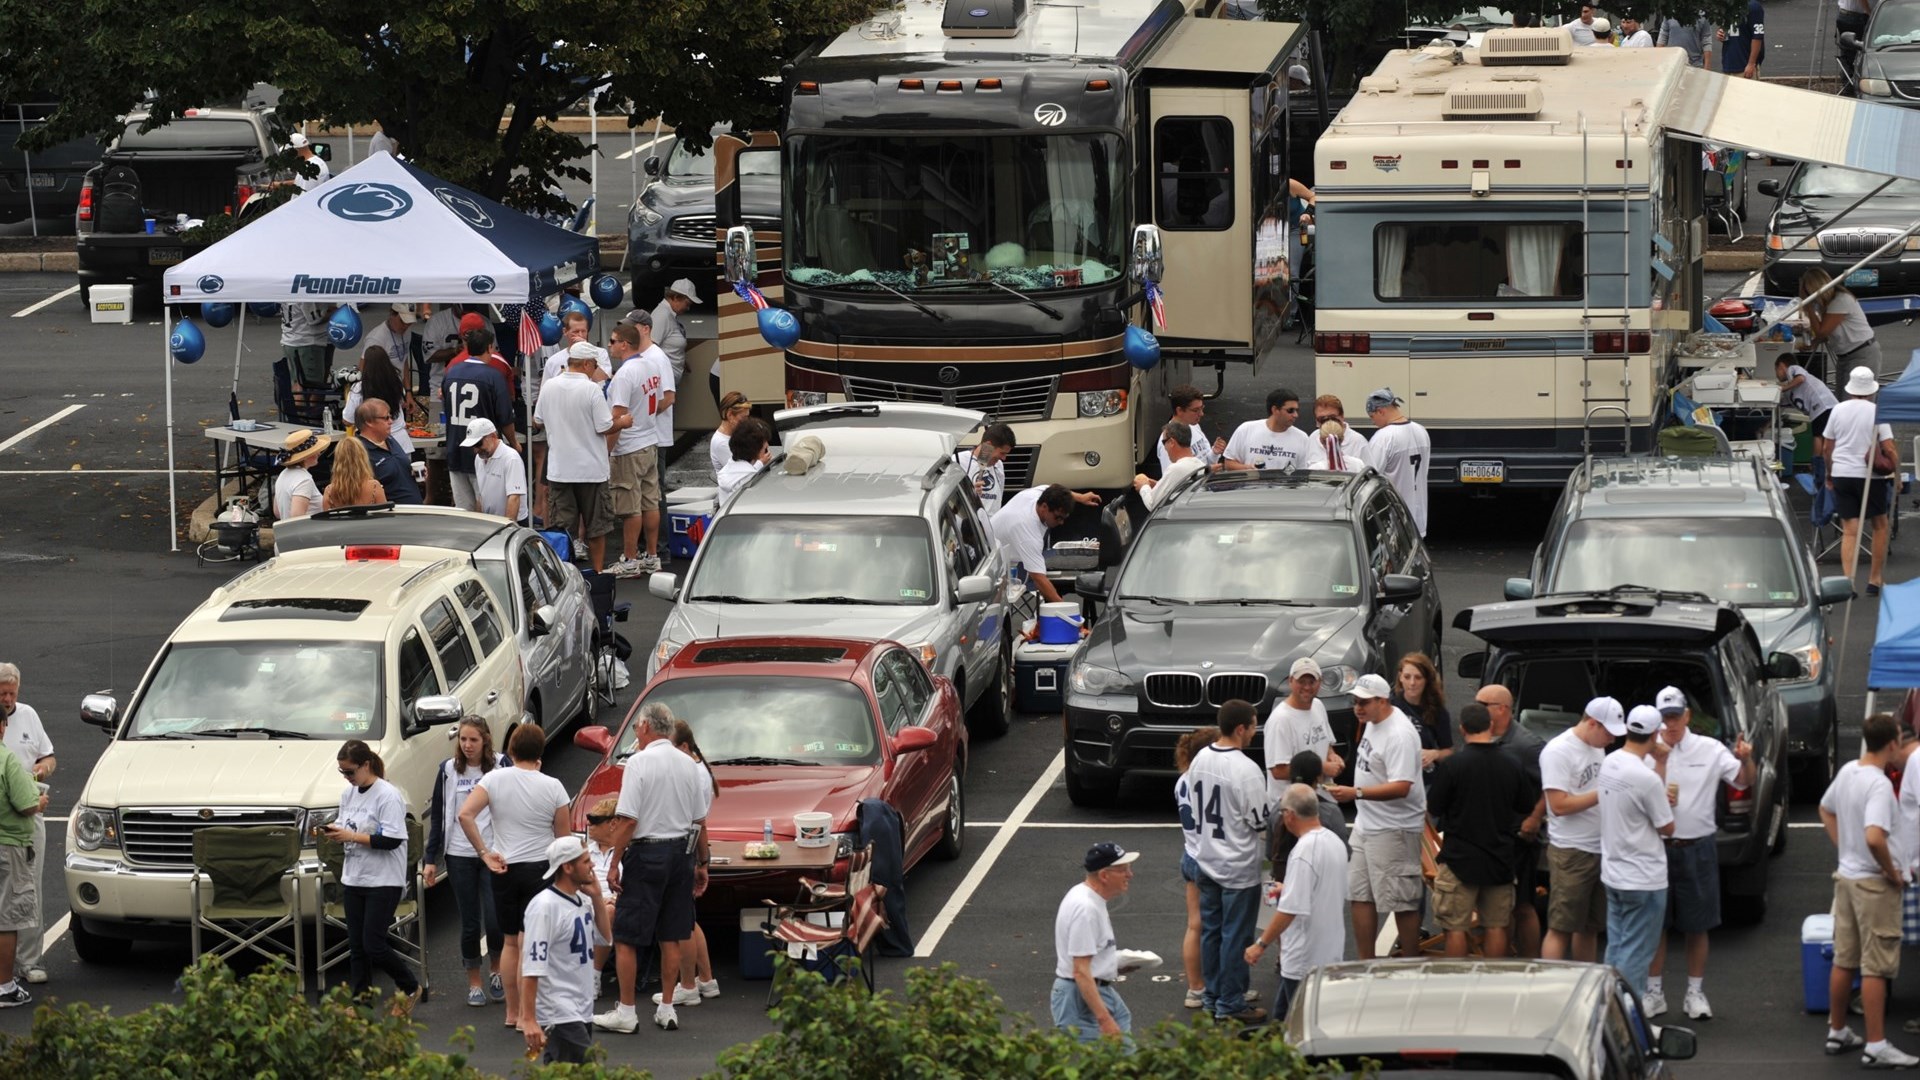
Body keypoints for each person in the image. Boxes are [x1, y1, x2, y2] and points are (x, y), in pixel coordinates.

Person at [596, 703, 714, 1034]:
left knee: (628, 937)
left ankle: (627, 1011)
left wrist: (614, 862)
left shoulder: (638, 762)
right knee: (672, 933)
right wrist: (703, 863)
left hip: (648, 853)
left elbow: (629, 819)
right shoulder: (689, 764)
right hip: (681, 853)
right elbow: (699, 821)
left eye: (636, 727)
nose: (635, 732)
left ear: (647, 726)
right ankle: (665, 1008)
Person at [1643, 686, 1753, 1021]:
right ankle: (1654, 993)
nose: (1670, 725)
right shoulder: (1647, 752)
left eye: (1675, 717)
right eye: (1664, 719)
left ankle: (1695, 992)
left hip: (1698, 847)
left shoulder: (1710, 749)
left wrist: (1747, 759)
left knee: (1697, 924)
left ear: (1687, 716)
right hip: (1656, 848)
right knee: (1654, 925)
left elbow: (1744, 781)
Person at [459, 725, 571, 1033]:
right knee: (531, 942)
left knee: (510, 942)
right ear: (540, 753)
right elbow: (564, 838)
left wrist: (484, 852)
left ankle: (512, 1012)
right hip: (541, 869)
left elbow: (465, 815)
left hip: (504, 867)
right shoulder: (554, 786)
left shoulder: (493, 779)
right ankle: (528, 1015)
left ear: (510, 750)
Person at [1821, 713, 1916, 1067]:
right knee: (1877, 965)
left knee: (1845, 959)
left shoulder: (1848, 771)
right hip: (1874, 886)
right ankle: (1876, 1045)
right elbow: (1875, 837)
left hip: (1846, 879)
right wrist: (1891, 872)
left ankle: (1838, 1030)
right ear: (1891, 743)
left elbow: (1825, 809)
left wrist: (1844, 849)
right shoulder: (1878, 785)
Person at [1181, 700, 1272, 1024]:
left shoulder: (1201, 759)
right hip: (1238, 866)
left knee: (1212, 933)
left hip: (1206, 860)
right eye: (1253, 725)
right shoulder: (1246, 770)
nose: (1255, 730)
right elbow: (1260, 821)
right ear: (1240, 729)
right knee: (1236, 936)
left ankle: (1213, 996)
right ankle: (1230, 1003)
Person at [1426, 703, 1540, 959]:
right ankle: (1492, 981)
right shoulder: (1511, 763)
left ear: (1462, 729)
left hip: (1459, 859)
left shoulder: (1454, 765)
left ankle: (1457, 979)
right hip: (1500, 858)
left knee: (1455, 927)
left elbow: (1434, 806)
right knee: (1497, 926)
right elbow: (1524, 805)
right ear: (1490, 726)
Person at [1328, 673, 1427, 959]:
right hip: (1367, 824)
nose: (1357, 707)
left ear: (1382, 701)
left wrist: (1355, 793)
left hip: (1393, 829)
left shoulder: (1399, 735)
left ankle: (1409, 962)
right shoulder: (1372, 722)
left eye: (1364, 702)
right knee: (1359, 894)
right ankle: (1365, 963)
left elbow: (1402, 786)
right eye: (1355, 701)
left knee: (1402, 900)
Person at [323, 740, 424, 1009]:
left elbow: (392, 839)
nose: (347, 778)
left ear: (366, 765)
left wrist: (352, 836)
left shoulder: (387, 795)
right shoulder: (349, 794)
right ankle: (361, 1004)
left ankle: (410, 986)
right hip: (355, 876)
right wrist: (336, 832)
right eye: (342, 772)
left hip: (383, 880)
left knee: (373, 944)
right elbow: (347, 826)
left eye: (350, 772)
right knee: (357, 946)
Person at [422, 717, 510, 1007]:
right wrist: (431, 858)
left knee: (496, 920)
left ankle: (496, 970)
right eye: (462, 739)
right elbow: (439, 815)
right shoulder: (448, 770)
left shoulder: (500, 764)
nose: (467, 745)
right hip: (459, 854)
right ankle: (474, 981)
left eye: (473, 739)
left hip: (493, 853)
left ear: (485, 739)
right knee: (470, 923)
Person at [1246, 784, 1350, 1021]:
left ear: (1290, 815)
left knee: (1293, 1026)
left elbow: (1290, 910)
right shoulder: (1334, 842)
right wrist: (1290, 888)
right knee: (1303, 1022)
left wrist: (1260, 945)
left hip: (1304, 957)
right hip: (1329, 952)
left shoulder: (1304, 851)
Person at [1539, 696, 1624, 962]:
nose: (1612, 740)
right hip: (1572, 852)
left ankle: (1586, 984)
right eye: (1609, 733)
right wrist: (1605, 792)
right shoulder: (1559, 751)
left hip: (1600, 847)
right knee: (1561, 926)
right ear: (1592, 723)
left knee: (1590, 927)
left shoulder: (1596, 747)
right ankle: (1549, 987)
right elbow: (1558, 805)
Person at [1598, 705, 1675, 995]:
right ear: (1656, 735)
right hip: (1644, 877)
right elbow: (1667, 827)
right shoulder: (1647, 778)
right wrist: (1662, 765)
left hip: (1614, 873)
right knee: (1637, 954)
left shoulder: (1611, 761)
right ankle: (1630, 1018)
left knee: (1617, 947)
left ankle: (1608, 1007)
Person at [518, 836, 613, 1064]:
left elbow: (605, 938)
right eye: (586, 861)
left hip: (581, 1007)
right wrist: (528, 1018)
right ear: (567, 867)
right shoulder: (545, 907)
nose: (593, 866)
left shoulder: (581, 900)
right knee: (588, 1071)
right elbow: (532, 965)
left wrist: (598, 897)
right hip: (559, 1011)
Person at [655, 719, 721, 1008]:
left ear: (684, 747)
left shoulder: (691, 773)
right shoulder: (698, 770)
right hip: (691, 848)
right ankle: (706, 979)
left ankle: (687, 985)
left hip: (685, 848)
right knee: (690, 921)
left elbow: (698, 823)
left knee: (680, 921)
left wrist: (698, 860)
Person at [536, 343, 618, 572]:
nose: (595, 370)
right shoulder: (591, 389)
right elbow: (605, 426)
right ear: (585, 364)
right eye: (594, 366)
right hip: (591, 470)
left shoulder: (550, 386)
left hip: (560, 470)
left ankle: (561, 574)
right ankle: (598, 571)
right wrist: (623, 422)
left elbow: (538, 420)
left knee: (561, 529)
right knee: (597, 527)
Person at [1481, 685, 1547, 958]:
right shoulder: (1484, 736)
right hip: (1492, 839)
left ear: (1502, 709)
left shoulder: (1526, 746)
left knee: (1521, 906)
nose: (1476, 707)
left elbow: (1552, 786)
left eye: (1482, 703)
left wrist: (1534, 818)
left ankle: (1530, 965)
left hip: (1518, 840)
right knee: (1498, 907)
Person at [1053, 842, 1139, 1041]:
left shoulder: (1087, 898)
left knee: (1123, 1055)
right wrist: (1104, 1020)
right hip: (1081, 998)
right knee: (1099, 1064)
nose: (1130, 875)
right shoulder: (1086, 910)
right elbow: (1081, 971)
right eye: (1123, 870)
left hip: (1092, 990)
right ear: (1104, 875)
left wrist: (1113, 965)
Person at [0, 666, 53, 988]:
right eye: (2, 694)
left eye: (12, 694)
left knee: (29, 889)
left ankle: (29, 961)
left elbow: (49, 756)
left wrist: (42, 770)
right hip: (16, 814)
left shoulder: (29, 715)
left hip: (26, 819)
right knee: (15, 894)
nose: (7, 699)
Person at [607, 321, 672, 577]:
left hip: (629, 446)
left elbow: (618, 417)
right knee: (650, 501)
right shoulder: (651, 365)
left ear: (625, 344)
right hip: (649, 440)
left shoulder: (625, 374)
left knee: (630, 506)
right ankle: (652, 556)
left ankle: (630, 559)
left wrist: (607, 452)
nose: (610, 345)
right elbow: (657, 401)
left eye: (613, 341)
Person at [1826, 365, 1897, 595]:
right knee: (1880, 525)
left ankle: (1848, 583)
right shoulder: (1878, 411)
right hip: (1870, 476)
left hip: (1842, 473)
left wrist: (1829, 473)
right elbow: (1888, 447)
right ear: (1871, 390)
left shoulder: (1838, 410)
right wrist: (1894, 472)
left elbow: (1828, 446)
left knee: (1850, 529)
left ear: (1850, 388)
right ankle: (1875, 579)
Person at [1174, 726, 1222, 1010]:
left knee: (1195, 925)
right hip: (1210, 857)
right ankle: (1222, 987)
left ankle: (1195, 988)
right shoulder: (1208, 779)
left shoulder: (1182, 780)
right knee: (1222, 926)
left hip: (1189, 853)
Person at [445, 326, 518, 512]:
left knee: (464, 512)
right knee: (486, 511)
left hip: (455, 447)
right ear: (489, 348)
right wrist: (514, 442)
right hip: (483, 451)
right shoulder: (493, 375)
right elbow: (504, 416)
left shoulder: (451, 372)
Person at [1264, 657, 1344, 795]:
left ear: (1320, 683)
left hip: (1319, 798)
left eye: (1312, 682)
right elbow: (1277, 771)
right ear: (1290, 681)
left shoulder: (1318, 706)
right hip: (1292, 805)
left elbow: (1326, 744)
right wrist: (1321, 768)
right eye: (1301, 682)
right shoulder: (1280, 720)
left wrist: (1333, 756)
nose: (1307, 687)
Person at [991, 483, 1077, 604]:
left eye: (1064, 518)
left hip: (1002, 544)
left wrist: (1081, 497)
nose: (1061, 522)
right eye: (1058, 517)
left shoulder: (1037, 495)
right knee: (1046, 584)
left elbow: (1052, 487)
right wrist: (1067, 611)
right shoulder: (1027, 531)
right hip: (995, 566)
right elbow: (1039, 579)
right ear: (1044, 507)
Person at [1364, 387, 1431, 537]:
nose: (1372, 421)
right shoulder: (1422, 431)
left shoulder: (1383, 437)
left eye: (1372, 416)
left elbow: (1369, 479)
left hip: (1393, 518)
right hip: (1418, 517)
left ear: (1381, 411)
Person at [1223, 387, 1327, 472]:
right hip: (1251, 492)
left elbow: (1303, 473)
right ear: (1275, 410)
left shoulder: (1302, 438)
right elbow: (1228, 463)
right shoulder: (1246, 429)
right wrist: (1248, 469)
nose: (1296, 415)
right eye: (1290, 410)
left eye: (1297, 410)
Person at [1803, 269, 1881, 377]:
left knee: (1855, 392)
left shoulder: (1840, 300)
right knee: (1842, 393)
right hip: (1846, 355)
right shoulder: (1829, 303)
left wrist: (1808, 307)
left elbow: (1822, 332)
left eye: (1810, 293)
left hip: (1860, 353)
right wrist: (1813, 342)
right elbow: (1826, 333)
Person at [347, 347, 417, 456]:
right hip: (401, 442)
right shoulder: (396, 383)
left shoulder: (359, 388)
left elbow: (348, 420)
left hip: (372, 445)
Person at [1393, 652, 1452, 778]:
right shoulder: (1390, 705)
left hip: (1422, 779)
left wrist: (1434, 754)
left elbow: (1449, 753)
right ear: (1400, 677)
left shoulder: (1437, 711)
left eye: (1418, 677)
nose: (1412, 683)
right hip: (1392, 775)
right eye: (1407, 677)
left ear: (1427, 680)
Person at [351, 400, 421, 504]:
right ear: (369, 422)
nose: (391, 421)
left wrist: (416, 472)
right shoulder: (359, 451)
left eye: (390, 416)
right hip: (391, 516)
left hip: (415, 512)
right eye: (386, 418)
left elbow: (398, 472)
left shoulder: (389, 439)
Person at [464, 418, 528, 522]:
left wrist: (507, 529)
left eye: (478, 444)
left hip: (512, 522)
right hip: (491, 521)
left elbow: (514, 498)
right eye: (473, 446)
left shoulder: (511, 458)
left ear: (493, 436)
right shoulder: (479, 458)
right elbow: (481, 496)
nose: (476, 450)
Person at [1134, 421, 1207, 511]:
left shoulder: (1176, 469)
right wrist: (1157, 485)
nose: (1164, 447)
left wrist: (1143, 486)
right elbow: (1178, 490)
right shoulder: (1200, 464)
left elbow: (1152, 504)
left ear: (1172, 442)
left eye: (1164, 442)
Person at [1778, 355, 1840, 458]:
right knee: (1824, 436)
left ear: (1781, 366)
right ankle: (1824, 462)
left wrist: (1783, 388)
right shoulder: (1789, 392)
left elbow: (1801, 378)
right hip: (1820, 408)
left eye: (1776, 370)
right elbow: (1779, 406)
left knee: (1818, 436)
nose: (1777, 375)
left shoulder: (1793, 369)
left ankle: (1818, 462)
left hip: (1822, 404)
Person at [1163, 385, 1226, 475]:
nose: (1201, 414)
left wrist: (1214, 453)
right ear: (1179, 410)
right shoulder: (1169, 438)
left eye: (1202, 408)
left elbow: (1207, 461)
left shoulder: (1194, 426)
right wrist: (1207, 471)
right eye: (1196, 410)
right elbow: (1173, 478)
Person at [956, 423, 1018, 514]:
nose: (1004, 458)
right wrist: (967, 496)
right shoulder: (958, 462)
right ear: (988, 445)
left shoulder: (998, 465)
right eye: (1002, 453)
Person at [280, 302, 332, 406]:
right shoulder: (304, 296)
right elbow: (314, 318)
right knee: (315, 387)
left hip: (290, 339)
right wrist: (333, 311)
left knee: (298, 382)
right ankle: (308, 416)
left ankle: (299, 416)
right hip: (307, 342)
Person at [273, 428, 331, 520]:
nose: (319, 453)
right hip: (307, 533)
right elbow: (297, 519)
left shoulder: (283, 474)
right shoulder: (304, 480)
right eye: (316, 450)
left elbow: (277, 512)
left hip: (286, 532)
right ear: (306, 456)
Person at [652, 279, 699, 383]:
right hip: (663, 379)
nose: (688, 308)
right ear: (676, 298)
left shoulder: (668, 314)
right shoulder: (662, 316)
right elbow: (651, 347)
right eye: (687, 304)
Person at [324, 431, 387, 509]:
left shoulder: (329, 491)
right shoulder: (374, 487)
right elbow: (384, 517)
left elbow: (327, 519)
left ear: (337, 460)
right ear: (363, 458)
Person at [717, 417, 772, 505]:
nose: (767, 445)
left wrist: (759, 464)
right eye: (764, 444)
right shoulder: (751, 480)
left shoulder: (728, 470)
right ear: (755, 450)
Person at [1312, 395, 1370, 465]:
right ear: (1316, 420)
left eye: (1332, 417)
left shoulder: (1358, 442)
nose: (1328, 422)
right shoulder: (1313, 438)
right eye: (1322, 419)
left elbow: (1369, 474)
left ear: (1342, 416)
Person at [1716, 0, 1765, 79]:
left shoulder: (1753, 6)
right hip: (1728, 63)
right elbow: (1727, 30)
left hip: (1744, 65)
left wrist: (1751, 63)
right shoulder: (1729, 6)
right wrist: (1720, 34)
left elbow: (1757, 37)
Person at [710, 392, 752, 477]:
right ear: (729, 415)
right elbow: (741, 473)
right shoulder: (720, 443)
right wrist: (760, 462)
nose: (746, 421)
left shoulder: (737, 433)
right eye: (743, 418)